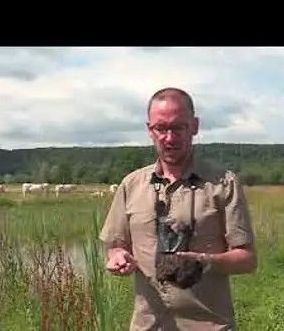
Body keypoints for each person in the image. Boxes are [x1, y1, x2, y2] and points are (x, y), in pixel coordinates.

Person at [99, 87, 257, 330]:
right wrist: (118, 257)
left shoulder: (223, 183)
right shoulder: (132, 184)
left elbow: (247, 259)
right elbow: (116, 245)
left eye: (178, 127)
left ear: (194, 126)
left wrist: (205, 262)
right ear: (149, 130)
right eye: (161, 128)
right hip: (148, 325)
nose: (169, 138)